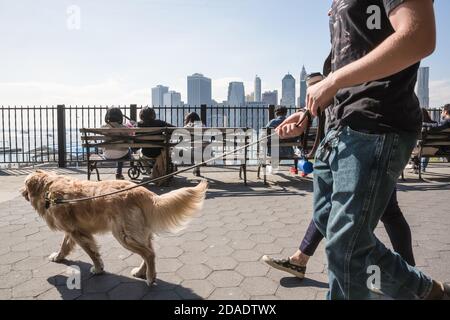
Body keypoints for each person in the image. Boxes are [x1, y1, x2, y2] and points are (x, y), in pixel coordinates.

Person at [276, 0, 448, 299]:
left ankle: (426, 292)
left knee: (347, 244)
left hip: (378, 122)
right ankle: (428, 292)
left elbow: (419, 36)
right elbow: (350, 61)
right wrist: (309, 113)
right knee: (336, 234)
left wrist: (332, 81)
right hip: (339, 127)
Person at [137, 107, 175, 182]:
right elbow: (174, 128)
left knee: (139, 156)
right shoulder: (159, 123)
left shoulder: (139, 124)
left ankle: (149, 172)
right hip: (159, 153)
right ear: (153, 115)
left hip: (146, 153)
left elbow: (136, 141)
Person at [102, 107, 130, 180]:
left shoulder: (103, 127)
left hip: (107, 154)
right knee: (124, 151)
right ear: (120, 116)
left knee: (117, 150)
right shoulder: (123, 128)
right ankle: (119, 173)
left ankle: (118, 173)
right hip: (121, 155)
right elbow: (129, 141)